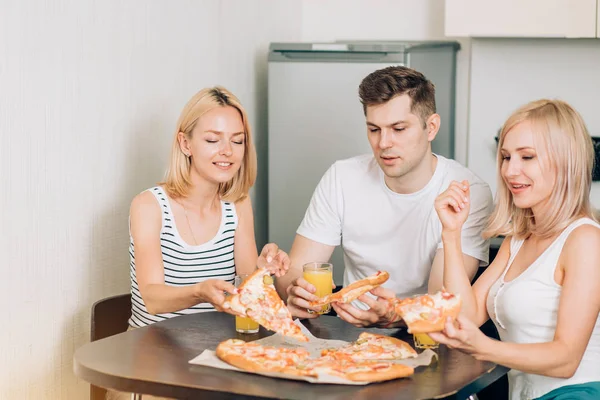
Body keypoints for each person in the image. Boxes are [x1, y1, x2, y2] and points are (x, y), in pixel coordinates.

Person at [276, 66, 493, 328]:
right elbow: (297, 269)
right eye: (374, 129)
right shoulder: (342, 177)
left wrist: (394, 315)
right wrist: (296, 291)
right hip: (350, 331)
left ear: (431, 127)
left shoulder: (468, 192)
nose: (384, 143)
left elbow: (442, 300)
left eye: (398, 129)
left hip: (427, 334)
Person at [430, 99, 600, 400]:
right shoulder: (518, 240)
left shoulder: (585, 240)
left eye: (527, 157)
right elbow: (466, 315)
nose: (510, 170)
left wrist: (482, 347)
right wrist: (451, 233)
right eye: (506, 157)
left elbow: (566, 360)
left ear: (566, 162)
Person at [128, 86, 289, 327]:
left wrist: (263, 270)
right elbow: (152, 299)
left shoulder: (237, 205)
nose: (227, 151)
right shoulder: (149, 206)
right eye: (213, 140)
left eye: (237, 141)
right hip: (152, 349)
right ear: (185, 144)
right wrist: (199, 292)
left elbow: (247, 291)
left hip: (216, 345)